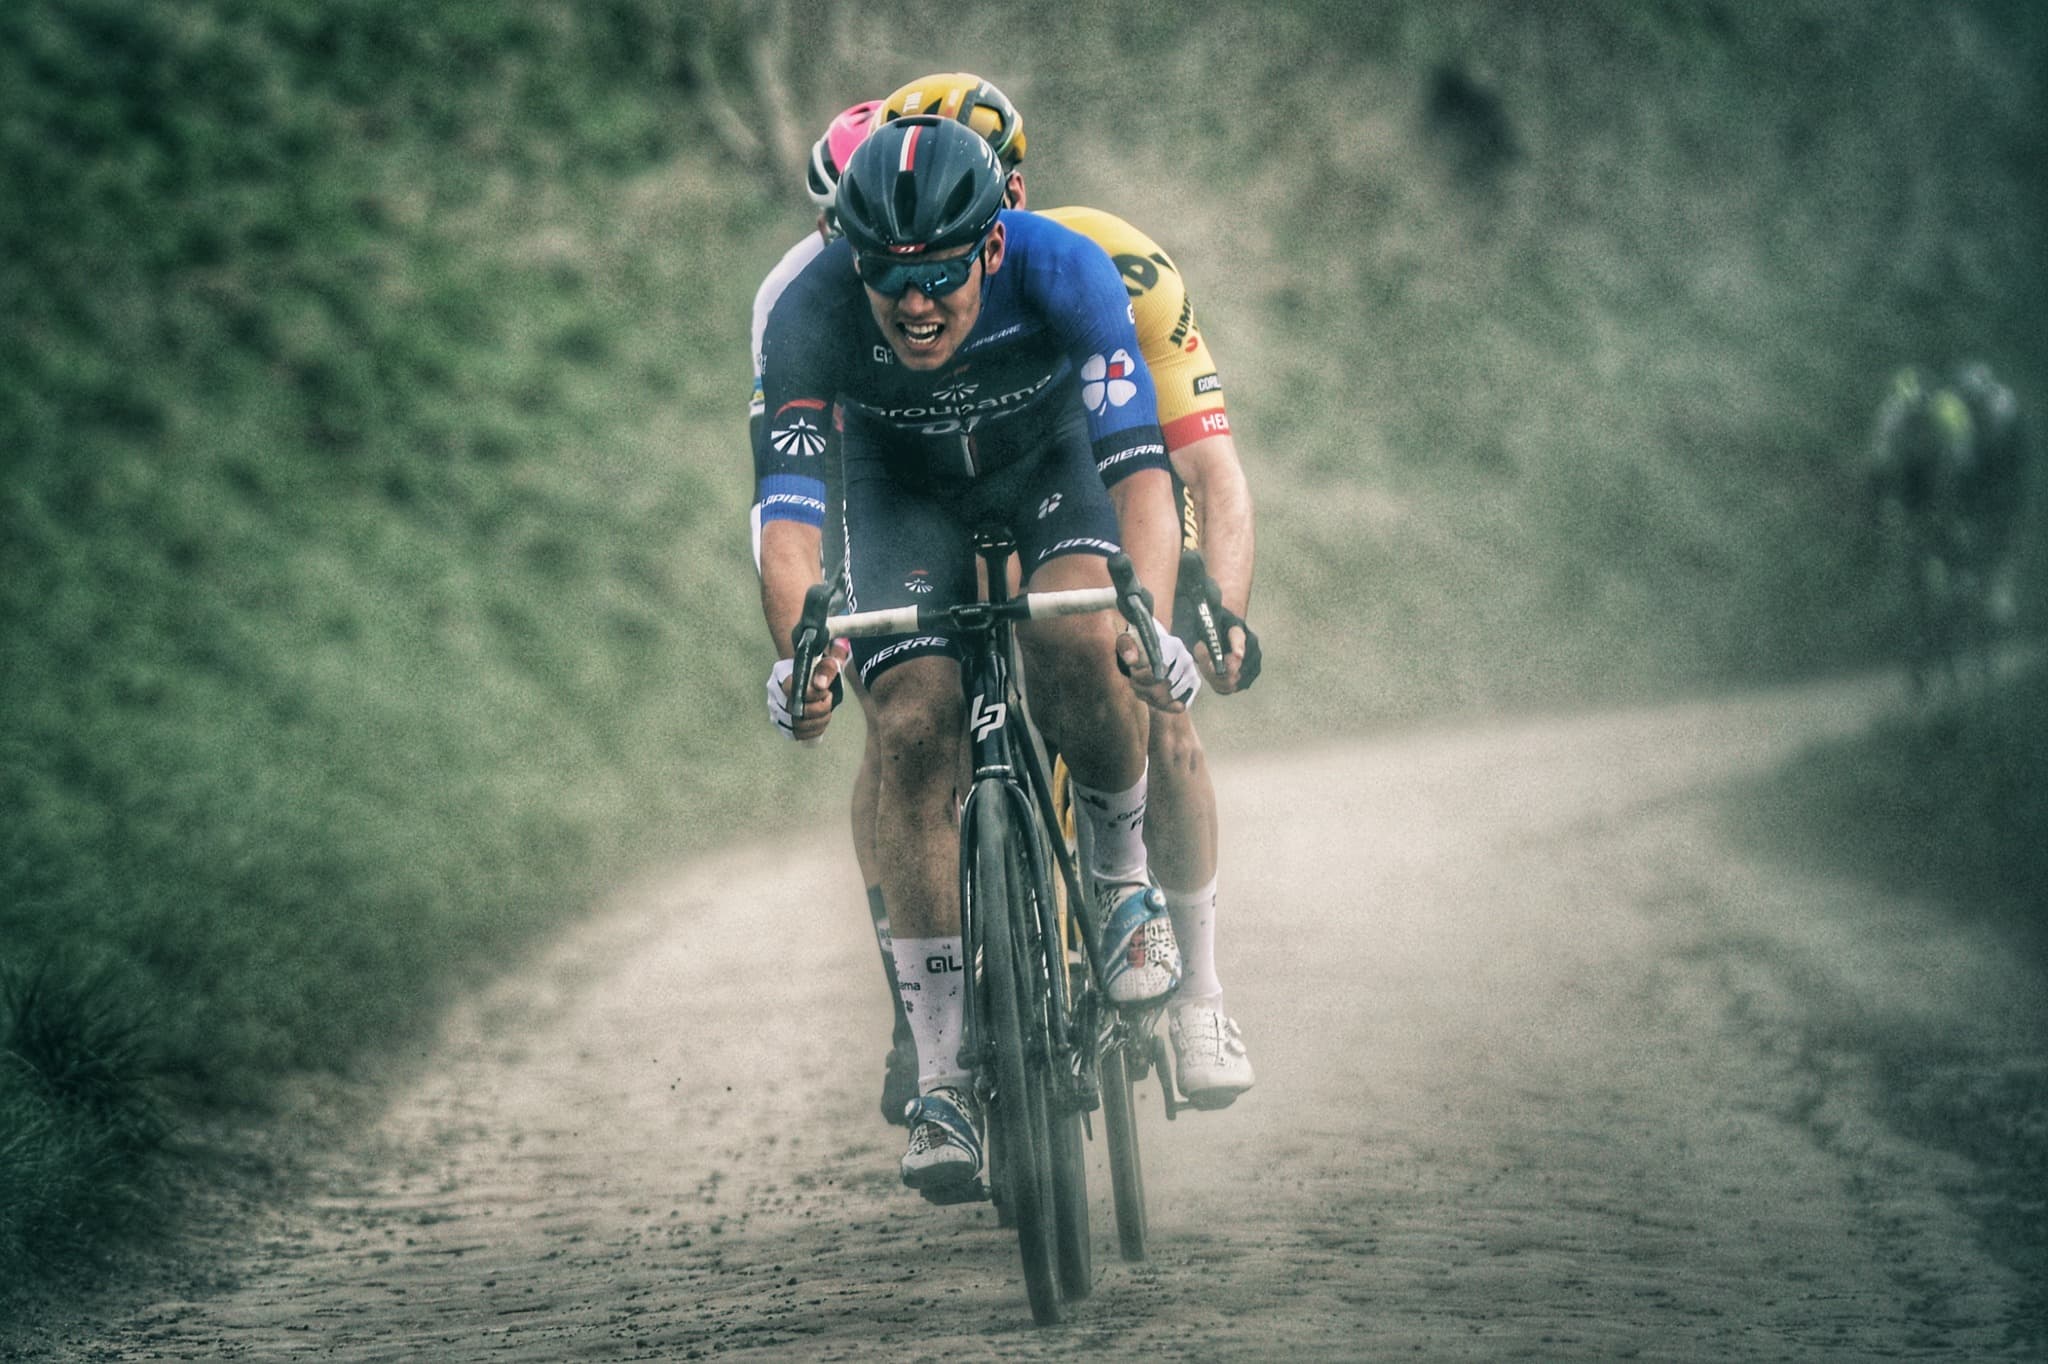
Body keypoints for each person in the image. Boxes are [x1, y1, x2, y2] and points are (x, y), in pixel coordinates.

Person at [749, 81, 1261, 1127]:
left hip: (1046, 465)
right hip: (900, 494)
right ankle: (939, 1070)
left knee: (1084, 630)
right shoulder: (801, 307)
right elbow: (789, 525)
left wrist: (1150, 628)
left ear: (989, 244)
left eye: (938, 273)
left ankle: (1121, 887)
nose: (914, 302)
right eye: (887, 277)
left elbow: (1147, 481)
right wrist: (802, 656)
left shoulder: (1071, 267)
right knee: (906, 724)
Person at [1866, 365, 1977, 693]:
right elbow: (1879, 471)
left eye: (1919, 411)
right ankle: (1920, 660)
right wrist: (1883, 512)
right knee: (1917, 590)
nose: (1914, 417)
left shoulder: (1946, 415)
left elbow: (1961, 469)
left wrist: (1958, 516)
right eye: (1908, 411)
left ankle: (1956, 640)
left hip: (1945, 501)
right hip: (1914, 506)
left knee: (1953, 580)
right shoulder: (1891, 418)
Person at [1950, 361, 2028, 630]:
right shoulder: (1964, 412)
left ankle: (2000, 592)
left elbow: (2007, 455)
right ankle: (1964, 580)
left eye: (1974, 397)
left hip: (2004, 483)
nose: (1971, 402)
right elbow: (1960, 457)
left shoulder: (2003, 405)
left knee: (2006, 539)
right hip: (1976, 482)